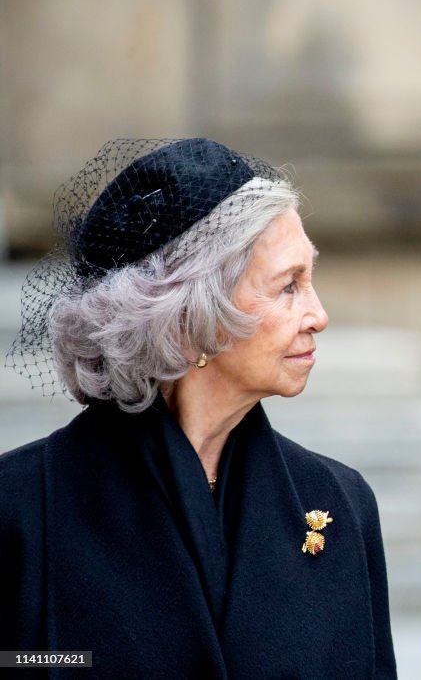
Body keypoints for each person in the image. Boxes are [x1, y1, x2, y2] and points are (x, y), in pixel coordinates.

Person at [0, 138, 396, 678]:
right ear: (191, 316)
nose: (318, 315)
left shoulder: (340, 503)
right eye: (288, 287)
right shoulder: (20, 509)